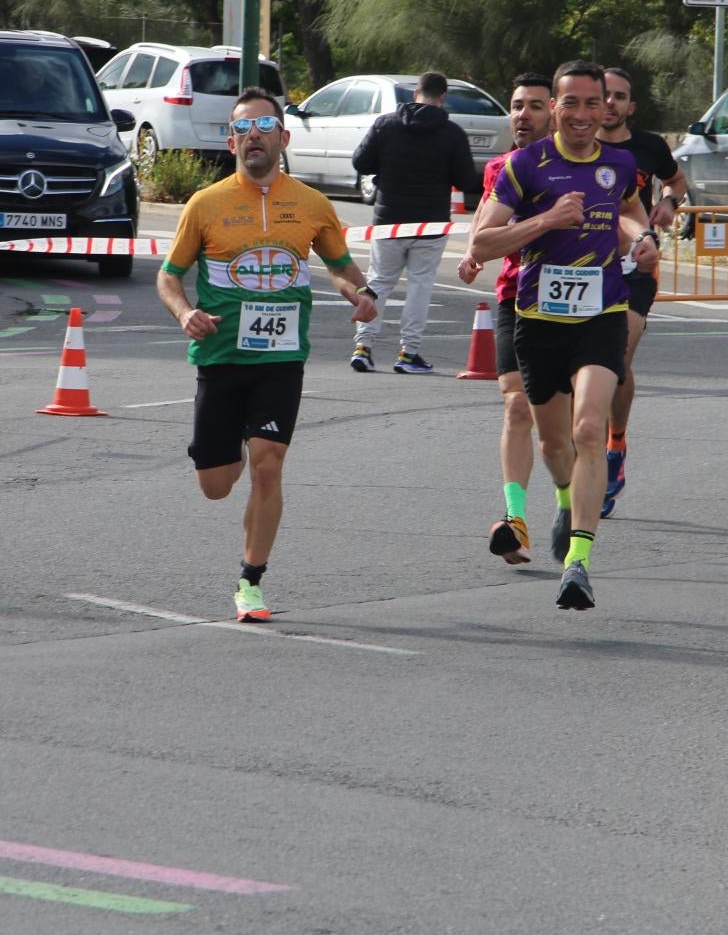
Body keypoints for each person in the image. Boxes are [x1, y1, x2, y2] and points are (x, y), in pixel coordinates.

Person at [157, 89, 379, 621]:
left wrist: (359, 291)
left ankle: (250, 581)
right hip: (220, 356)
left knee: (269, 465)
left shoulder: (311, 205)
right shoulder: (205, 205)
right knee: (216, 484)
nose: (252, 134)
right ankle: (229, 441)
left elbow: (341, 265)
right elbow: (169, 277)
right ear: (230, 140)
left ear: (283, 137)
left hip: (281, 358)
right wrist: (185, 313)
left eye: (263, 124)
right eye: (242, 127)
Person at [469, 61, 658, 610]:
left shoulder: (620, 163)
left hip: (601, 314)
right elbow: (481, 244)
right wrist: (545, 221)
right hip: (538, 320)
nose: (581, 115)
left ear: (607, 108)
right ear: (553, 107)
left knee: (588, 430)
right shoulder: (525, 165)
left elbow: (628, 210)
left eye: (592, 104)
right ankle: (561, 499)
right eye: (569, 103)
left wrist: (641, 237)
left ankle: (579, 562)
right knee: (553, 444)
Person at [457, 73, 554, 565]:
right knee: (517, 407)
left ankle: (571, 507)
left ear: (554, 111)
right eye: (517, 105)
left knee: (565, 426)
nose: (523, 114)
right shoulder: (499, 167)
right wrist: (473, 255)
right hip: (516, 296)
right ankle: (515, 520)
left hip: (570, 306)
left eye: (534, 106)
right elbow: (482, 225)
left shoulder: (581, 166)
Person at [595, 67, 689, 517]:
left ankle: (614, 445)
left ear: (630, 106)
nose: (610, 103)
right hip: (583, 267)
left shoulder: (649, 147)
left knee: (616, 361)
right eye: (604, 96)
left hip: (635, 267)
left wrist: (669, 203)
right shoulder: (576, 143)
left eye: (620, 97)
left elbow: (676, 181)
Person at [348, 70, 484, 375]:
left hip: (388, 220)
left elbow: (360, 162)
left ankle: (363, 347)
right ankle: (409, 354)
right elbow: (465, 179)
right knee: (420, 285)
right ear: (443, 97)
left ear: (415, 95)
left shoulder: (386, 125)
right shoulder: (451, 133)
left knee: (379, 281)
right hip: (431, 223)